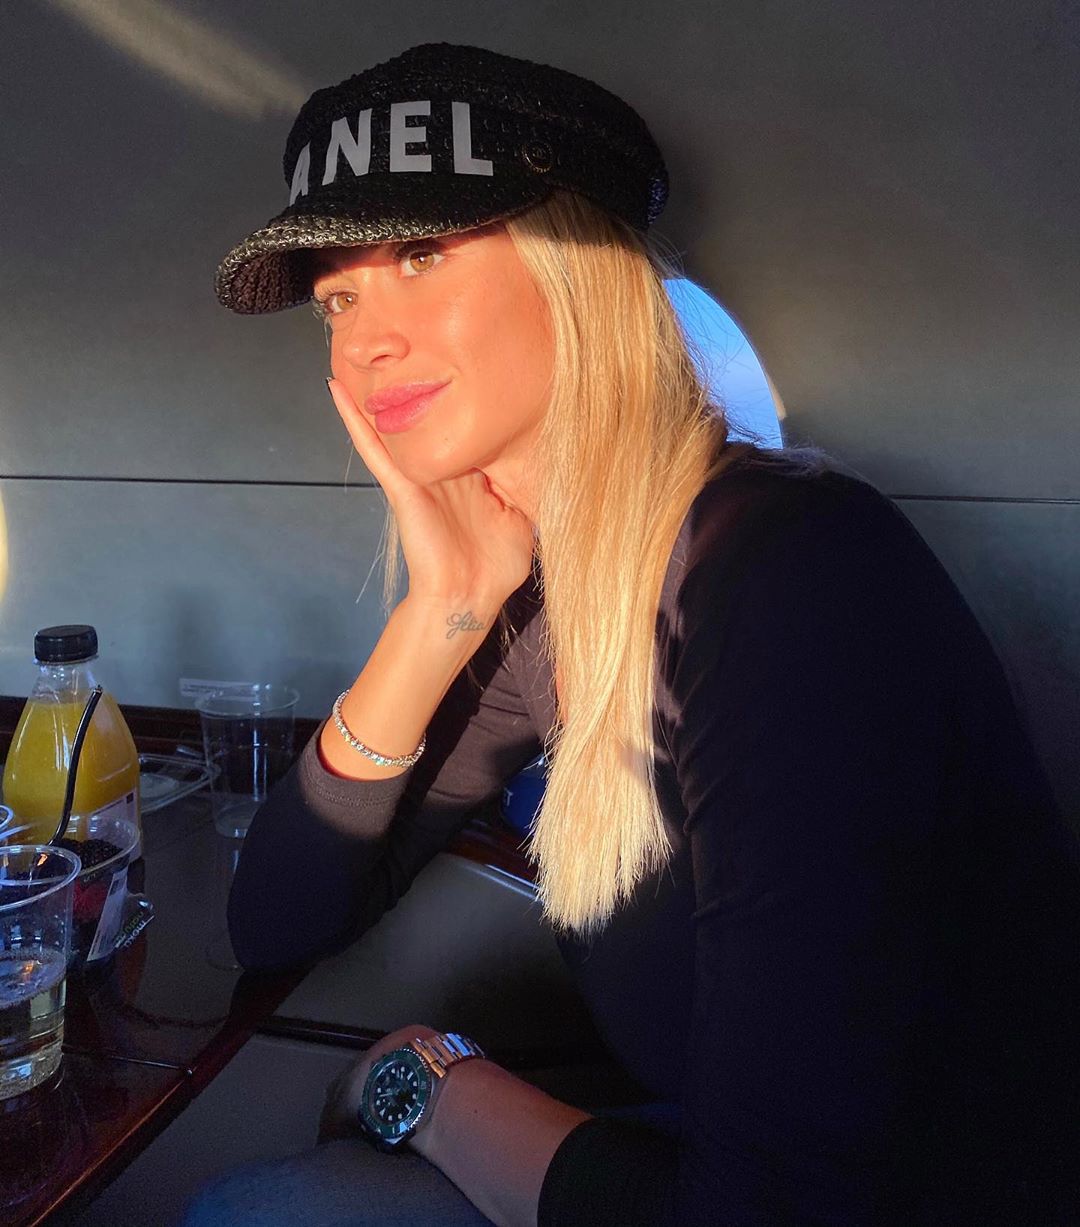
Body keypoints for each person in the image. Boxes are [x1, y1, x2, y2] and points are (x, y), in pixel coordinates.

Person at [185, 41, 1080, 1227]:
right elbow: (277, 920)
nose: (361, 341)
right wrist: (442, 608)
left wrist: (430, 1084)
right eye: (338, 297)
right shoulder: (556, 601)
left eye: (420, 256)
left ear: (580, 271)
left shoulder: (789, 574)